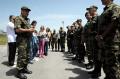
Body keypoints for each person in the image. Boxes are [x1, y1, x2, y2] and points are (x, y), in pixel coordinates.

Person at [96, 0, 120, 79]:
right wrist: (98, 35)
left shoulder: (115, 7)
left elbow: (114, 22)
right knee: (106, 63)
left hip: (112, 41)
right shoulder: (105, 10)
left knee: (113, 64)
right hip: (104, 41)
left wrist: (102, 35)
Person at [14, 6, 34, 79]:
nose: (28, 13)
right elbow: (17, 30)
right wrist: (28, 30)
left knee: (27, 55)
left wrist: (31, 29)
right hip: (22, 40)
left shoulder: (26, 20)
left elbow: (27, 28)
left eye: (28, 11)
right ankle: (19, 72)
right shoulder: (18, 18)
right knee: (21, 56)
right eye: (26, 11)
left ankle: (24, 68)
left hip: (27, 40)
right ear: (22, 11)